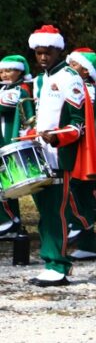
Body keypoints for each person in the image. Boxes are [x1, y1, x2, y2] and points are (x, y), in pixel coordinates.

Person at [27, 25, 90, 286]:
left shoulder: (70, 77)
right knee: (45, 211)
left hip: (59, 156)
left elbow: (79, 123)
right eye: (39, 53)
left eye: (48, 52)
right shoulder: (39, 79)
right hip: (40, 153)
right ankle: (51, 260)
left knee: (56, 212)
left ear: (58, 50)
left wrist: (58, 136)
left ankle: (60, 265)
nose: (43, 57)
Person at [66, 48, 96, 261]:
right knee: (83, 196)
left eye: (74, 65)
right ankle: (88, 245)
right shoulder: (87, 89)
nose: (70, 68)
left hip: (83, 150)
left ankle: (79, 224)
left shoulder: (88, 90)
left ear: (86, 71)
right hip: (81, 148)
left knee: (73, 189)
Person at [0, 54, 34, 237]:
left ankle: (6, 220)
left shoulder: (20, 89)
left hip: (9, 141)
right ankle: (12, 221)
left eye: (9, 70)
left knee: (4, 185)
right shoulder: (6, 88)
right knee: (7, 185)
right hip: (4, 141)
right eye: (2, 71)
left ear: (20, 71)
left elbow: (4, 104)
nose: (4, 74)